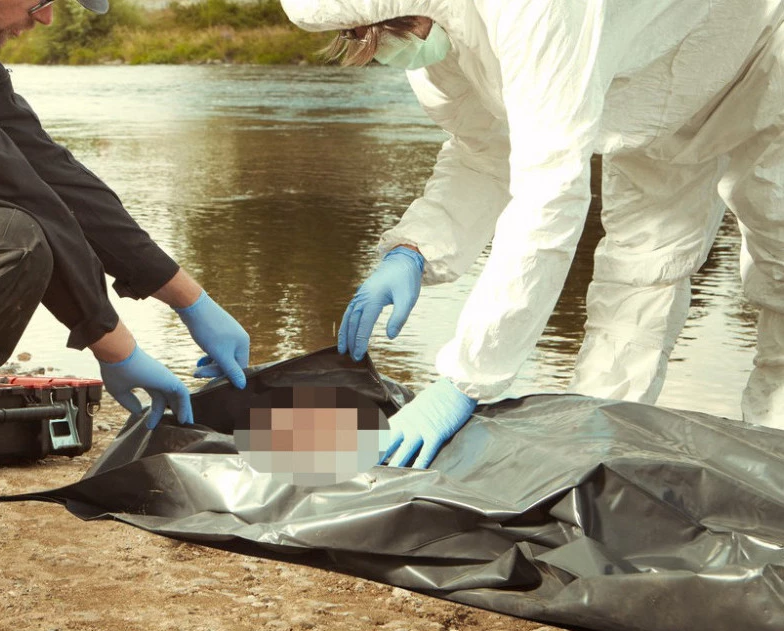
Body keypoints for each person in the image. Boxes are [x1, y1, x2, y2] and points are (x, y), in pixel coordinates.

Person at [280, 0, 784, 468]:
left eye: (373, 31)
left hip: (758, 60)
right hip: (645, 107)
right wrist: (413, 249)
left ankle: (773, 461)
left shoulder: (534, 10)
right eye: (354, 34)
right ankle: (590, 458)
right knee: (638, 276)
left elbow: (549, 195)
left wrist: (465, 378)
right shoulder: (437, 42)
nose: (374, 46)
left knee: (780, 272)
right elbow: (483, 153)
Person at [0, 0, 250, 555]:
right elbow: (9, 192)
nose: (48, 18)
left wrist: (188, 297)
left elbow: (51, 172)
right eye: (43, 0)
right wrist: (112, 342)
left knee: (9, 237)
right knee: (5, 250)